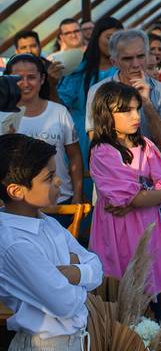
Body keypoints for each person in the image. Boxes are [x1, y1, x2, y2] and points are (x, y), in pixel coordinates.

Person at [0, 134, 103, 351]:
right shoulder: (13, 243)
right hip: (44, 345)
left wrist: (75, 273)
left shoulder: (47, 223)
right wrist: (80, 271)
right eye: (49, 177)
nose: (59, 181)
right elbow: (65, 304)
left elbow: (97, 268)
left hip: (73, 340)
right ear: (16, 191)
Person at [88, 82, 161, 316]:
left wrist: (150, 194)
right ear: (105, 114)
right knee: (126, 279)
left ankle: (159, 319)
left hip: (148, 224)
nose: (136, 116)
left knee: (151, 271)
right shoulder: (102, 151)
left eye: (137, 109)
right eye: (125, 111)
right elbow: (133, 197)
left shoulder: (145, 144)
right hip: (119, 229)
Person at [0, 55, 83, 204]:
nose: (25, 84)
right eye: (18, 78)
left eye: (31, 77)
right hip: (17, 205)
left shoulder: (59, 112)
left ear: (42, 79)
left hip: (61, 200)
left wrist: (78, 194)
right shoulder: (2, 116)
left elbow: (75, 156)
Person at [85, 29, 161, 153]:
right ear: (114, 62)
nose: (136, 64)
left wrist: (147, 103)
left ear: (148, 56)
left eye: (141, 56)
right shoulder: (97, 92)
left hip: (154, 164)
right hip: (115, 163)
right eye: (127, 58)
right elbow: (97, 142)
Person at [57, 16, 123, 164]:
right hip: (82, 138)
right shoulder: (79, 69)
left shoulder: (123, 70)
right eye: (109, 37)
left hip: (117, 137)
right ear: (96, 37)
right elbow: (61, 104)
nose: (114, 42)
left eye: (119, 38)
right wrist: (51, 82)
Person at [14, 30, 64, 101]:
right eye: (23, 47)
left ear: (40, 47)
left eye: (33, 46)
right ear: (17, 51)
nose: (29, 51)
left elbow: (63, 101)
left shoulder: (54, 70)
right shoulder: (11, 73)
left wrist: (51, 84)